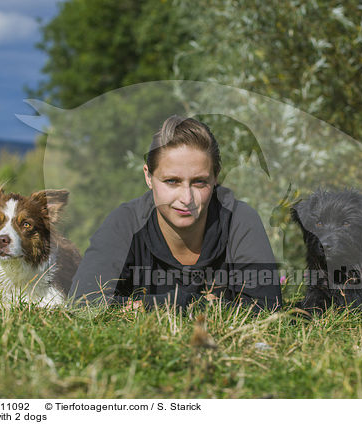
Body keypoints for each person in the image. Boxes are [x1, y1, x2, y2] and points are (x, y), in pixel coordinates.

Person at [70, 115, 281, 311]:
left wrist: (147, 306)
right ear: (149, 177)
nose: (186, 199)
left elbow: (267, 307)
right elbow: (83, 302)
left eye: (199, 182)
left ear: (216, 177)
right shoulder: (124, 222)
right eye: (172, 181)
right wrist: (190, 303)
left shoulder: (240, 220)